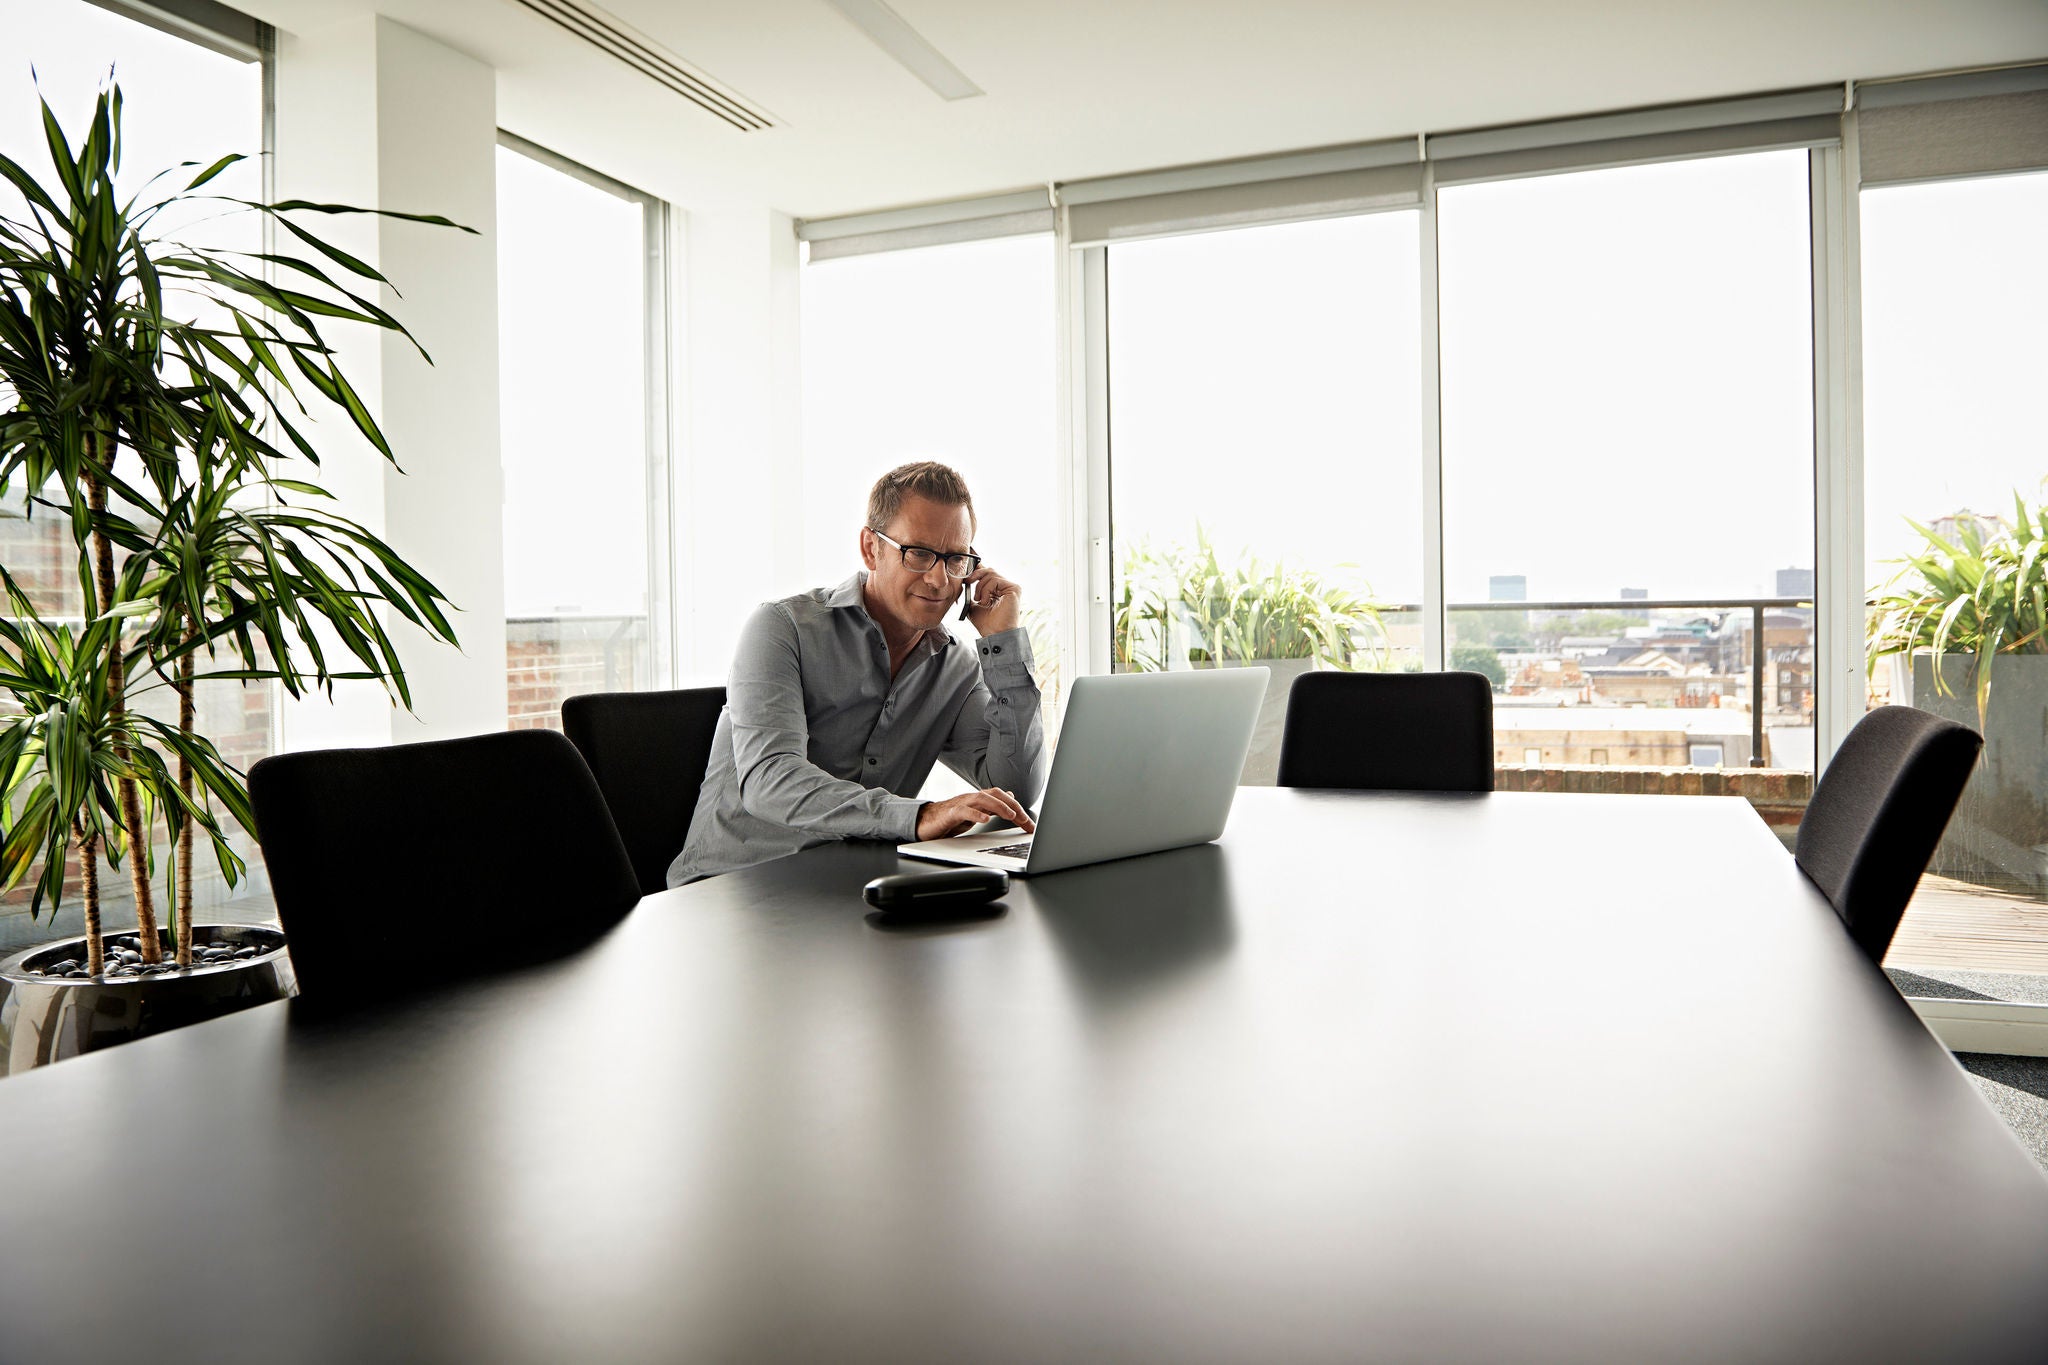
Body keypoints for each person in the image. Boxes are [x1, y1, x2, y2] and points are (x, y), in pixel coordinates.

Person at [667, 461, 1048, 883]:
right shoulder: (782, 628)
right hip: (733, 889)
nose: (940, 579)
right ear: (871, 548)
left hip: (856, 885)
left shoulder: (956, 666)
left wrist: (1006, 644)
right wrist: (919, 815)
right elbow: (769, 779)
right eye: (919, 553)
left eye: (956, 558)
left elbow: (1017, 790)